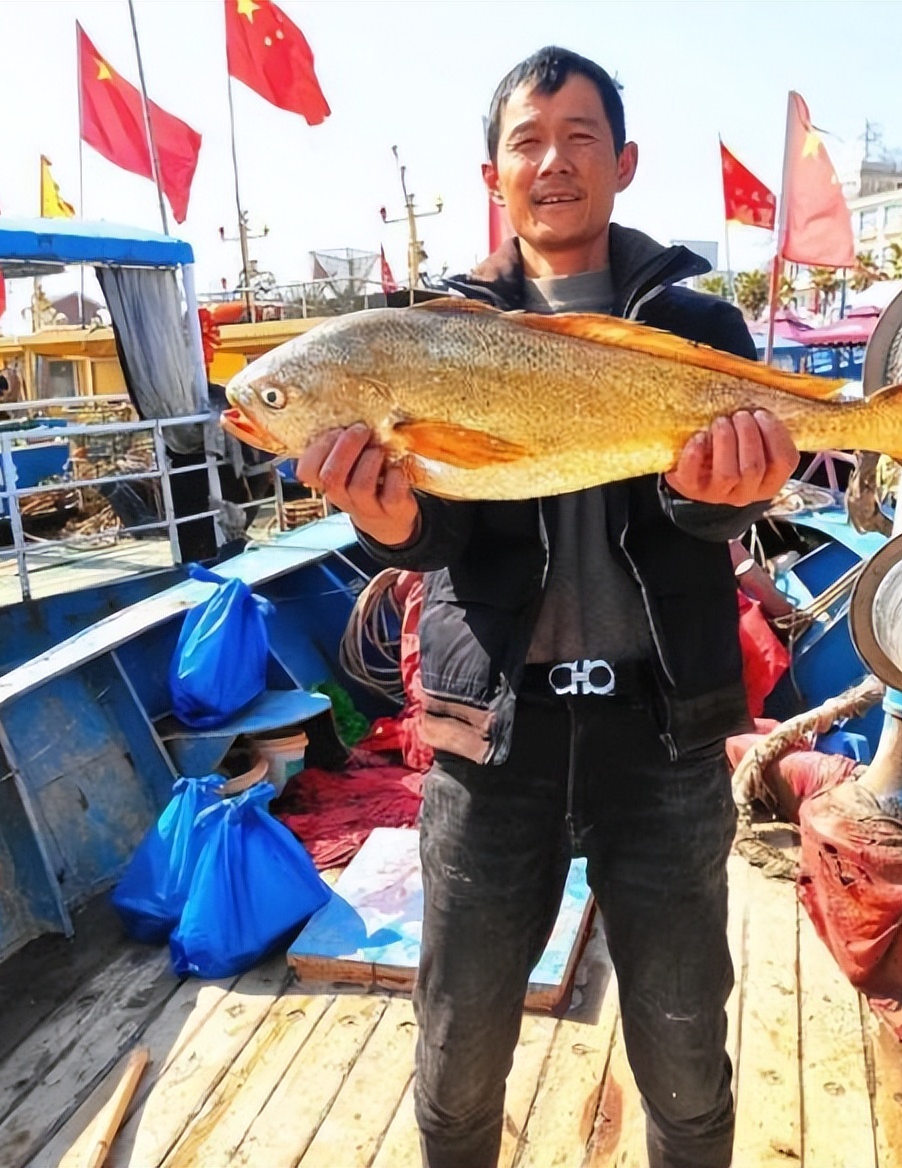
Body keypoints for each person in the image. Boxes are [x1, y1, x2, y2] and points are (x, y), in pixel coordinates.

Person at [297, 47, 798, 1168]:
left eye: (579, 138)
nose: (553, 162)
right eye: (527, 141)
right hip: (491, 740)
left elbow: (713, 523)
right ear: (493, 176)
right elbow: (438, 534)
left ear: (622, 163)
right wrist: (384, 523)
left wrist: (721, 495)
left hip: (662, 737)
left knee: (684, 1053)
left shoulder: (702, 331)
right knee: (457, 1053)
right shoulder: (431, 335)